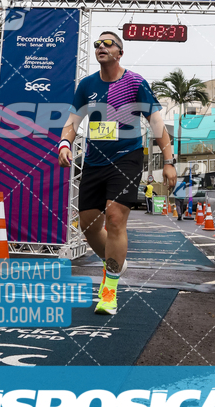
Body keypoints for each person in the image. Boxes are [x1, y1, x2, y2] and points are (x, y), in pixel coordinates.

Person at [58, 31, 177, 315]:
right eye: (97, 44)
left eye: (107, 43)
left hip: (127, 158)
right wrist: (65, 143)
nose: (100, 47)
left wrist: (170, 160)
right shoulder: (87, 85)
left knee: (114, 218)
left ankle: (109, 290)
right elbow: (73, 121)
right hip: (95, 160)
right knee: (88, 225)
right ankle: (115, 262)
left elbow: (156, 121)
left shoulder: (135, 82)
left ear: (120, 52)